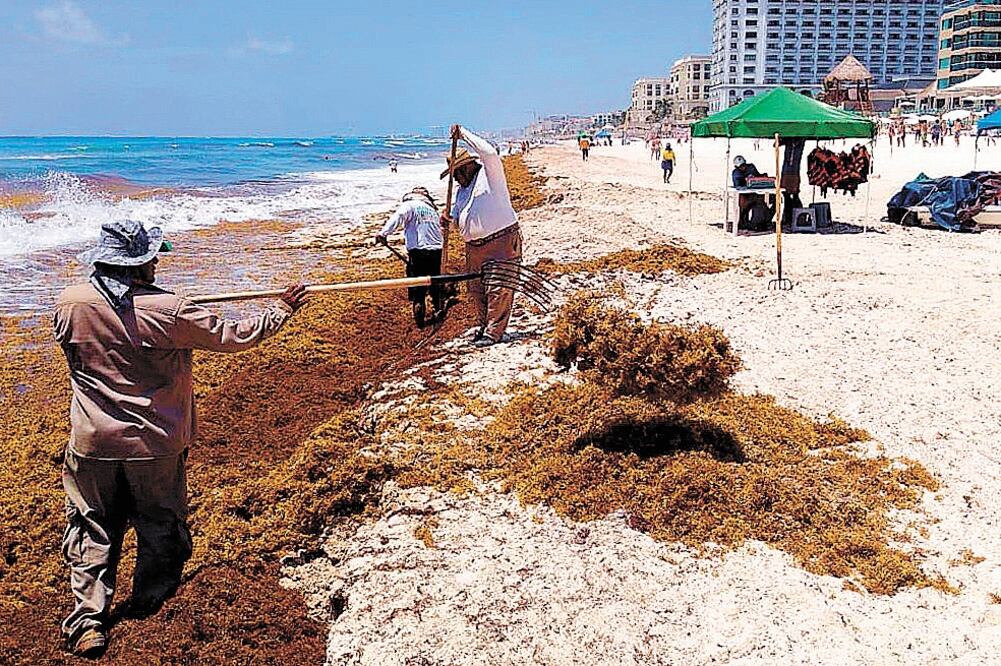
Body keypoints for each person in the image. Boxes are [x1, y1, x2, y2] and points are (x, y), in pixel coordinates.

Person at [54, 220, 308, 657]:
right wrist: (281, 310)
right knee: (159, 520)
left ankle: (88, 621)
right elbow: (234, 336)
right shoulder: (170, 310)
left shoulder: (71, 303)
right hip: (154, 442)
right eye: (152, 258)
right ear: (138, 264)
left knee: (92, 524)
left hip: (92, 441)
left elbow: (76, 346)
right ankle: (153, 598)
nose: (156, 263)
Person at [441, 124, 522, 347]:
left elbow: (489, 152)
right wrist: (449, 220)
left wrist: (463, 134)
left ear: (467, 166)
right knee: (477, 290)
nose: (456, 178)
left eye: (457, 172)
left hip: (502, 240)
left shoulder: (489, 174)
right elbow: (457, 219)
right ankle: (484, 325)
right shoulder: (460, 191)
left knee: (499, 286)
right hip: (474, 248)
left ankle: (494, 332)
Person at [376, 186, 448, 328]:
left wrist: (383, 233)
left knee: (418, 290)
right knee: (435, 283)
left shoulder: (410, 205)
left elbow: (398, 217)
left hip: (418, 252)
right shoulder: (433, 210)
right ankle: (438, 312)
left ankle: (420, 324)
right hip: (437, 250)